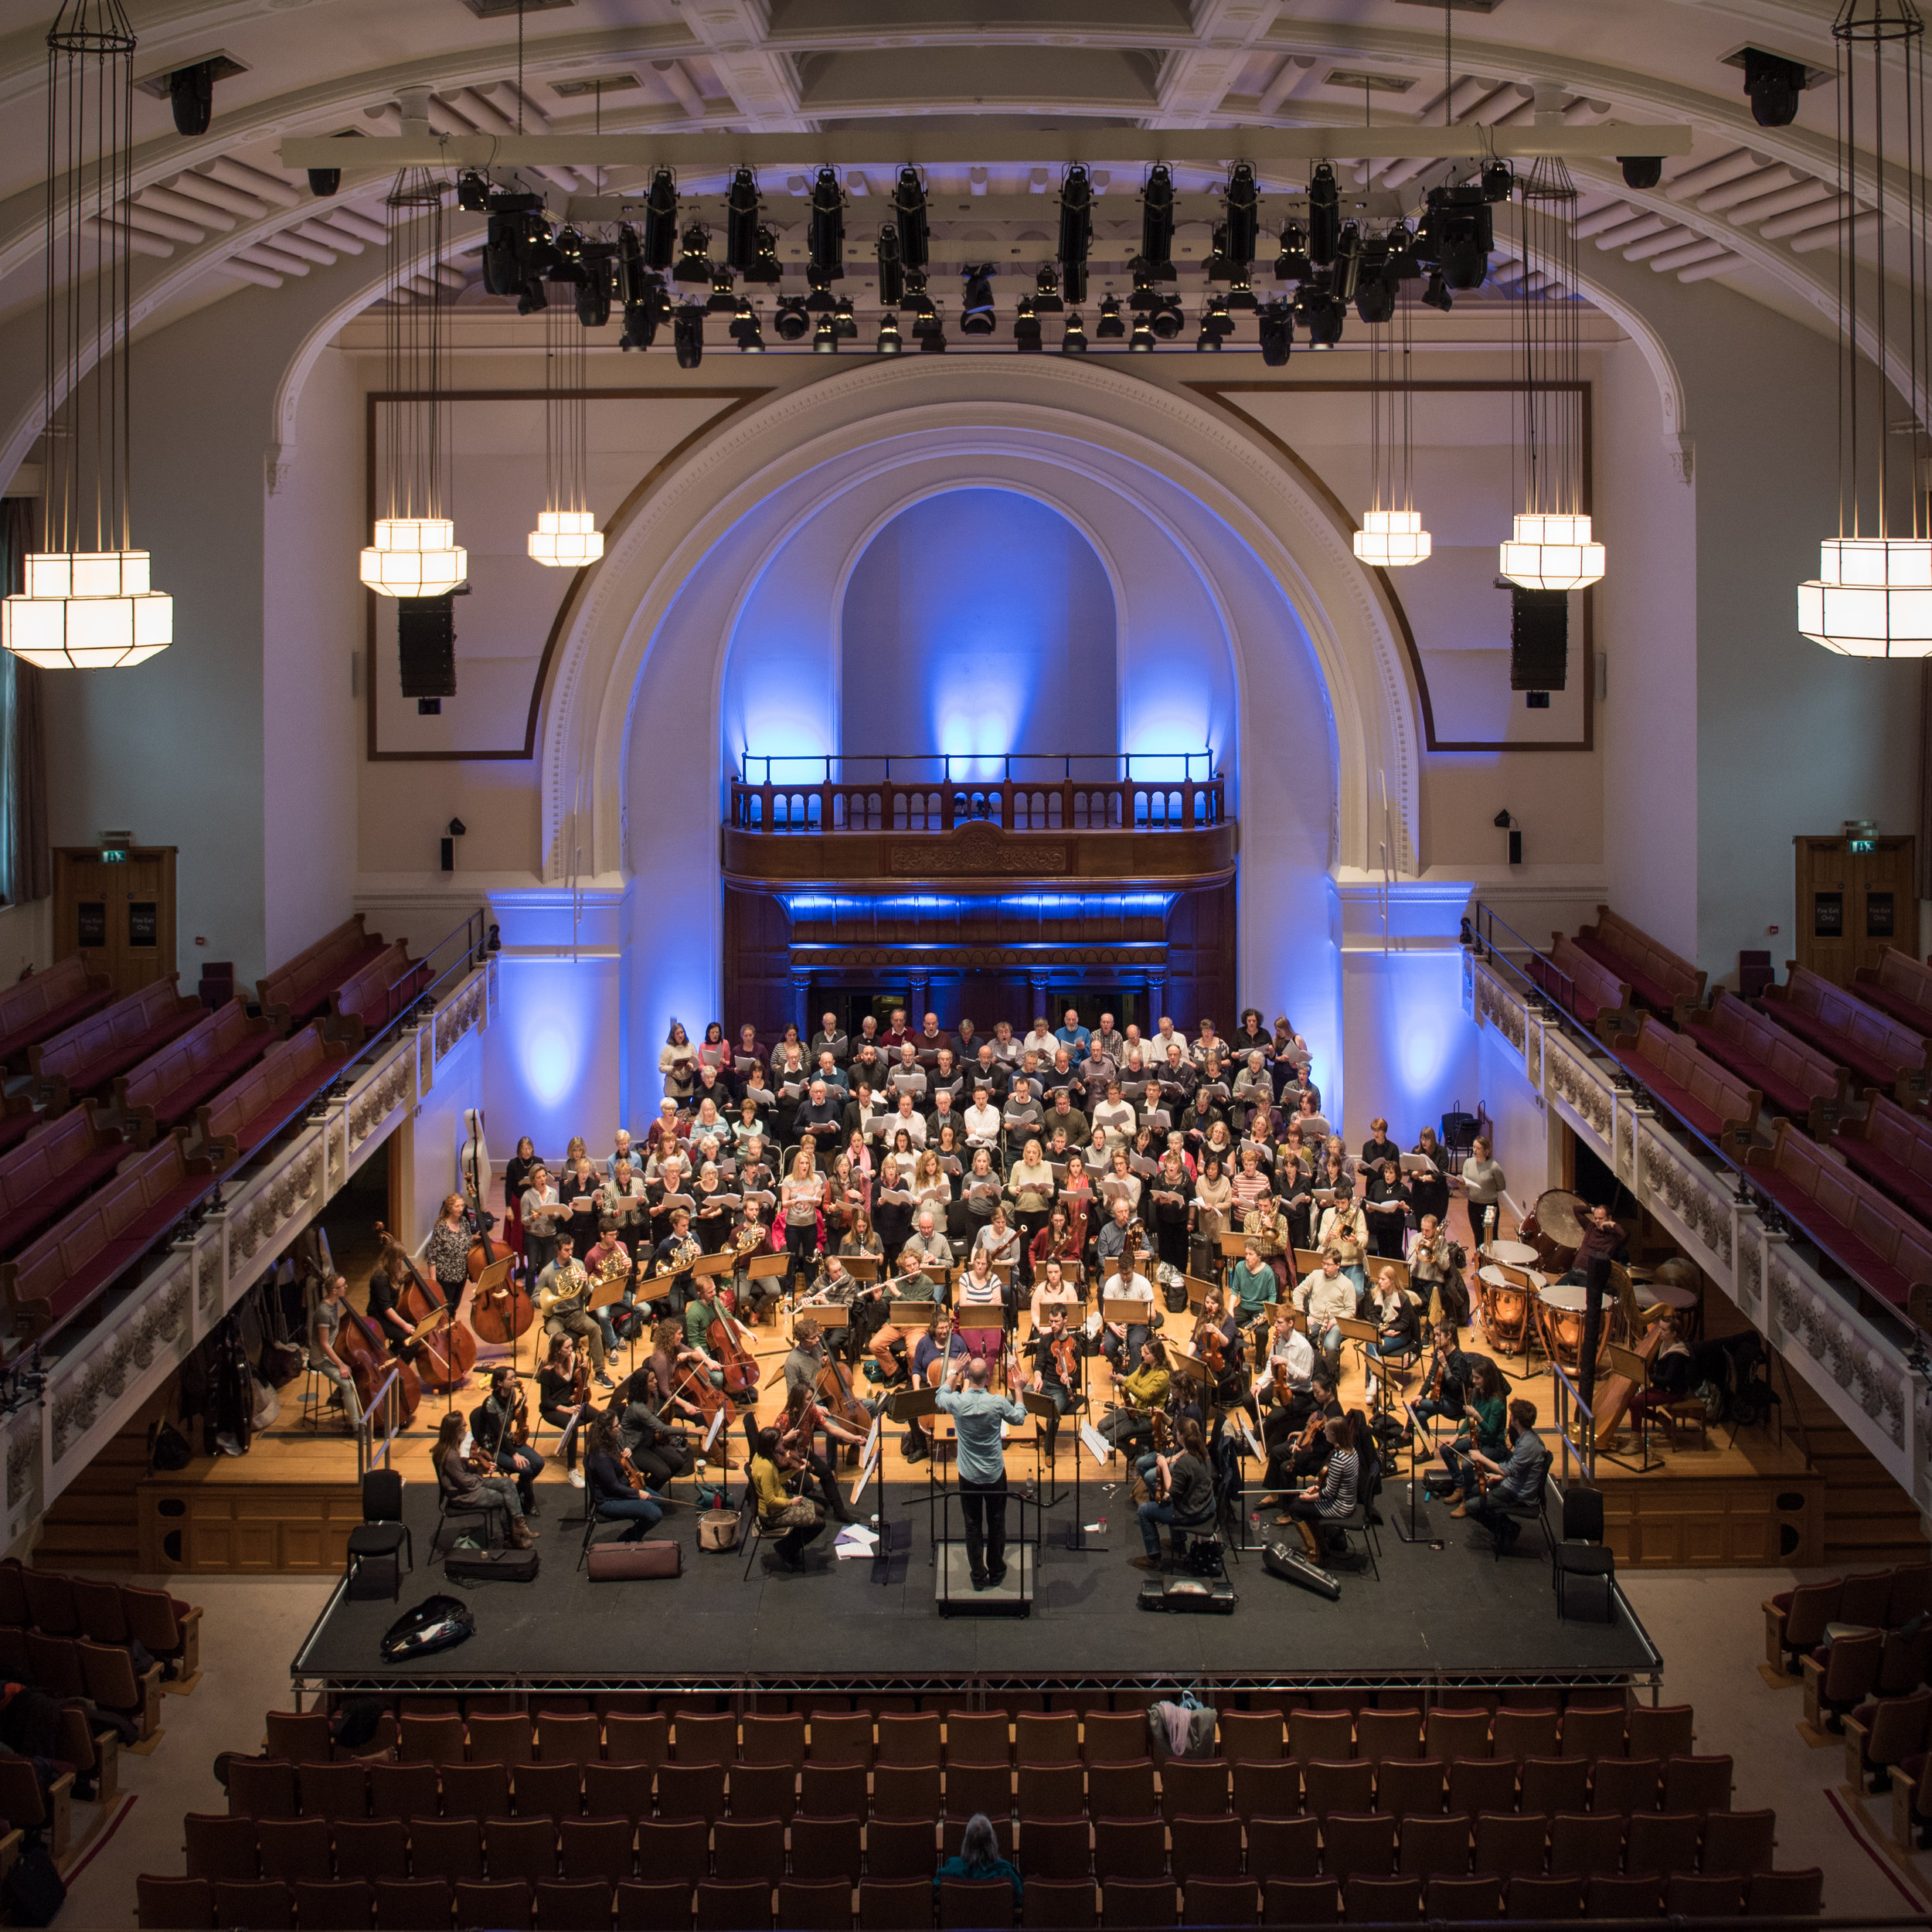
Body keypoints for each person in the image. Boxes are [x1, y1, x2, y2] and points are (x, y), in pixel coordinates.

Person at [937, 1353, 1030, 1591]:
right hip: (993, 1474)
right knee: (997, 1522)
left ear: (968, 1376)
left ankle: (978, 1576)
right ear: (988, 1377)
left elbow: (940, 1397)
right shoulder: (997, 1403)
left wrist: (953, 1372)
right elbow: (1019, 1418)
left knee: (972, 1525)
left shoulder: (957, 1402)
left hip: (968, 1474)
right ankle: (997, 1571)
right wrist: (1019, 1389)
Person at [435, 1410, 535, 1549]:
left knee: (507, 1483)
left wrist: (478, 1470)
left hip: (469, 1487)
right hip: (463, 1496)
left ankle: (519, 1526)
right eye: (464, 1427)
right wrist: (479, 1477)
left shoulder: (451, 1449)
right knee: (505, 1497)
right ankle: (512, 1538)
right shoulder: (450, 1455)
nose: (466, 1430)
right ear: (455, 1431)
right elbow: (464, 1482)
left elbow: (462, 1473)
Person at [1132, 1414, 1215, 1572]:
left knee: (1144, 1511)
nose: (1175, 1435)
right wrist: (1177, 1456)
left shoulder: (1185, 1464)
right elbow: (1186, 1454)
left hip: (1191, 1513)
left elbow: (1172, 1492)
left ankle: (1153, 1558)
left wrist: (1164, 1466)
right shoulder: (1203, 1452)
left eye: (1177, 1433)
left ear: (1182, 1437)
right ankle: (1177, 1542)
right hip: (1207, 1506)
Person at [1462, 1399, 1547, 1553]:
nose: (1510, 1417)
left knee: (1471, 1507)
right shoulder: (1527, 1438)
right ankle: (1502, 1524)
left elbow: (1508, 1470)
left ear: (1517, 1421)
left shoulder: (1528, 1445)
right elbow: (1519, 1470)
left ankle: (1508, 1529)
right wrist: (1500, 1478)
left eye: (1512, 1415)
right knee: (1475, 1490)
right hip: (1514, 1484)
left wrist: (1480, 1457)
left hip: (1518, 1495)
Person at [1281, 1414, 1360, 1564]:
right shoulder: (1352, 1451)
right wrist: (1315, 1488)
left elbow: (1328, 1493)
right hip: (1348, 1500)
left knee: (1295, 1508)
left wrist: (1308, 1497)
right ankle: (1321, 1546)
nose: (1324, 1433)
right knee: (1301, 1504)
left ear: (1335, 1435)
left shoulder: (1339, 1459)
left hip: (1340, 1506)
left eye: (1327, 1431)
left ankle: (1314, 1553)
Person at [536, 1234, 613, 1386]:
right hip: (555, 1316)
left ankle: (599, 1372)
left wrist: (585, 1283)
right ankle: (557, 1373)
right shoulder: (547, 1272)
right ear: (558, 1250)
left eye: (571, 1249)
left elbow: (586, 1294)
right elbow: (535, 1298)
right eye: (566, 1250)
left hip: (575, 1313)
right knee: (557, 1337)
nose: (570, 1253)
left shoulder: (578, 1265)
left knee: (594, 1329)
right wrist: (546, 1301)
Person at [750, 1426, 825, 1572]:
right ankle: (786, 1548)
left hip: (781, 1499)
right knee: (819, 1524)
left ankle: (791, 1543)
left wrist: (795, 1469)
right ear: (771, 1446)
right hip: (773, 1513)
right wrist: (791, 1502)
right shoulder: (766, 1467)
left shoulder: (760, 1456)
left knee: (820, 1510)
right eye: (779, 1442)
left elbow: (777, 1480)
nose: (783, 1445)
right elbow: (770, 1501)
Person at [1437, 1356, 1509, 1512]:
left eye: (1477, 1378)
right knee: (1446, 1449)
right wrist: (1457, 1435)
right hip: (1479, 1439)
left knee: (1467, 1465)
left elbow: (1490, 1432)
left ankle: (1467, 1500)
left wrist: (1477, 1415)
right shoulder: (1477, 1392)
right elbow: (1469, 1417)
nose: (1474, 1381)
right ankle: (1460, 1486)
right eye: (1473, 1377)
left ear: (1487, 1378)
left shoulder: (1497, 1402)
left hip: (1495, 1445)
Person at [583, 1413, 665, 1543]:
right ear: (608, 1430)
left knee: (659, 1501)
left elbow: (618, 1464)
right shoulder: (601, 1456)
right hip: (609, 1500)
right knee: (655, 1514)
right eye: (617, 1426)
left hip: (623, 1487)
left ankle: (636, 1530)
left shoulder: (610, 1442)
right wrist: (638, 1493)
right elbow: (614, 1487)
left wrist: (626, 1452)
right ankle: (628, 1538)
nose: (620, 1427)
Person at [472, 1366, 544, 1515]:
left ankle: (517, 1492)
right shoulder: (490, 1404)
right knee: (526, 1469)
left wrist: (519, 1406)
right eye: (510, 1379)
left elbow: (509, 1419)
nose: (514, 1381)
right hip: (493, 1446)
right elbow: (499, 1433)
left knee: (538, 1463)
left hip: (508, 1439)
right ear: (499, 1383)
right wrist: (514, 1455)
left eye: (514, 1377)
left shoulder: (511, 1395)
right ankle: (529, 1501)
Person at [1024, 1301, 1081, 1460]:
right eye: (1051, 1322)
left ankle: (1049, 1452)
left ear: (1065, 1320)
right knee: (1014, 1399)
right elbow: (1039, 1364)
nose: (1053, 1325)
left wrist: (1069, 1378)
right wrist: (1037, 1378)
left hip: (1062, 1390)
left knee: (1052, 1415)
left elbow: (1078, 1375)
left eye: (1057, 1321)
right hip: (1044, 1385)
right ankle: (1039, 1433)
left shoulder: (1075, 1344)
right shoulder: (1045, 1340)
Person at [308, 1274, 362, 1429]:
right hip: (321, 1358)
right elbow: (324, 1344)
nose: (346, 1287)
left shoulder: (334, 1304)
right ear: (334, 1290)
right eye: (343, 1285)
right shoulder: (323, 1312)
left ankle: (340, 1399)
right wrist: (341, 1365)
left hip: (331, 1353)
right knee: (347, 1385)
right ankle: (357, 1428)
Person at [1098, 1336, 1170, 1452]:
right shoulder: (1144, 1366)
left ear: (1156, 1355)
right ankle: (1135, 1453)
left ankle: (1135, 1455)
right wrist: (1118, 1378)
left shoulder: (1163, 1375)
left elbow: (1145, 1396)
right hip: (1135, 1410)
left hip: (1149, 1418)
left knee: (1110, 1437)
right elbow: (1130, 1380)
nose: (1143, 1355)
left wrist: (1125, 1382)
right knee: (1102, 1426)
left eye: (1146, 1353)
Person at [936, 1813, 1022, 1906]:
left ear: (966, 1842)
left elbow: (936, 1895)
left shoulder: (950, 1870)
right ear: (992, 1842)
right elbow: (1019, 1900)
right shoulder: (1006, 1873)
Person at [1294, 1249, 1355, 1380]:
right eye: (1323, 1263)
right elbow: (1298, 1292)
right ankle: (1304, 1372)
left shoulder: (1347, 1284)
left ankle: (1329, 1377)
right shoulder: (1316, 1275)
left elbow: (1351, 1311)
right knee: (1297, 1338)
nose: (1325, 1267)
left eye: (1329, 1264)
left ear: (1338, 1265)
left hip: (1334, 1323)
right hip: (1314, 1320)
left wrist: (1334, 1321)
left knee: (1331, 1346)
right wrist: (1303, 1315)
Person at [536, 1332, 588, 1485]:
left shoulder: (572, 1358)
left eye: (572, 1345)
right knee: (572, 1427)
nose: (572, 1349)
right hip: (551, 1408)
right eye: (568, 1347)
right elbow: (545, 1400)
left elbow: (576, 1383)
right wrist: (565, 1409)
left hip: (569, 1402)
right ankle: (572, 1471)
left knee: (600, 1417)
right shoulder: (547, 1371)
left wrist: (583, 1370)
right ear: (558, 1350)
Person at [1227, 1238, 1277, 1330]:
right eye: (1246, 1254)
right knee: (1226, 1322)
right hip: (1243, 1307)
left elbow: (1272, 1296)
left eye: (1251, 1254)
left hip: (1260, 1309)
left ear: (1259, 1256)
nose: (1247, 1257)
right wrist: (1230, 1309)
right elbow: (1235, 1290)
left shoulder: (1267, 1272)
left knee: (1262, 1332)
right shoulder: (1240, 1267)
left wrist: (1265, 1315)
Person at [1461, 1138, 1506, 1234]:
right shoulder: (1468, 1163)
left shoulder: (1494, 1166)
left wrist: (1487, 1190)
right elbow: (1465, 1185)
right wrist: (1462, 1184)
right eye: (1474, 1147)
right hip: (1473, 1205)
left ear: (1486, 1151)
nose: (1475, 1150)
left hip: (1489, 1205)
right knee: (1477, 1235)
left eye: (1478, 1148)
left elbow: (1502, 1186)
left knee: (1491, 1236)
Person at [660, 1020, 697, 1102]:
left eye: (682, 1032)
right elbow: (661, 1067)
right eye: (677, 1033)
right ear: (673, 1035)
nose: (680, 1035)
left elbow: (696, 1063)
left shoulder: (690, 1046)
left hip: (687, 1085)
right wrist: (674, 1068)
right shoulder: (668, 1049)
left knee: (685, 1112)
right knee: (671, 1111)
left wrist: (690, 1066)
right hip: (672, 1086)